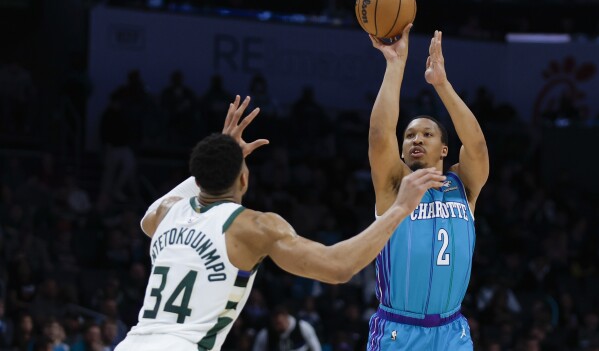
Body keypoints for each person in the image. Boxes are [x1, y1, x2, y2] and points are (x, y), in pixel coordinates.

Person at [115, 95, 446, 351]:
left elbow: (148, 216)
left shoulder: (165, 214)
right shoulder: (253, 226)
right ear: (244, 179)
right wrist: (400, 208)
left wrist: (221, 154)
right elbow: (338, 267)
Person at [366, 26, 489, 350]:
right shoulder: (394, 186)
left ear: (445, 149)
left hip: (452, 331)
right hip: (398, 331)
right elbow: (380, 137)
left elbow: (476, 146)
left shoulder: (463, 186)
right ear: (403, 150)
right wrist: (395, 65)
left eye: (427, 134)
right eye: (409, 136)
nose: (416, 139)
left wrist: (442, 85)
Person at [252, 305, 321, 351]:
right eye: (275, 324)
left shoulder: (303, 327)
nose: (277, 327)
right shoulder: (265, 334)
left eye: (279, 323)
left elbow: (316, 348)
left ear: (286, 317)